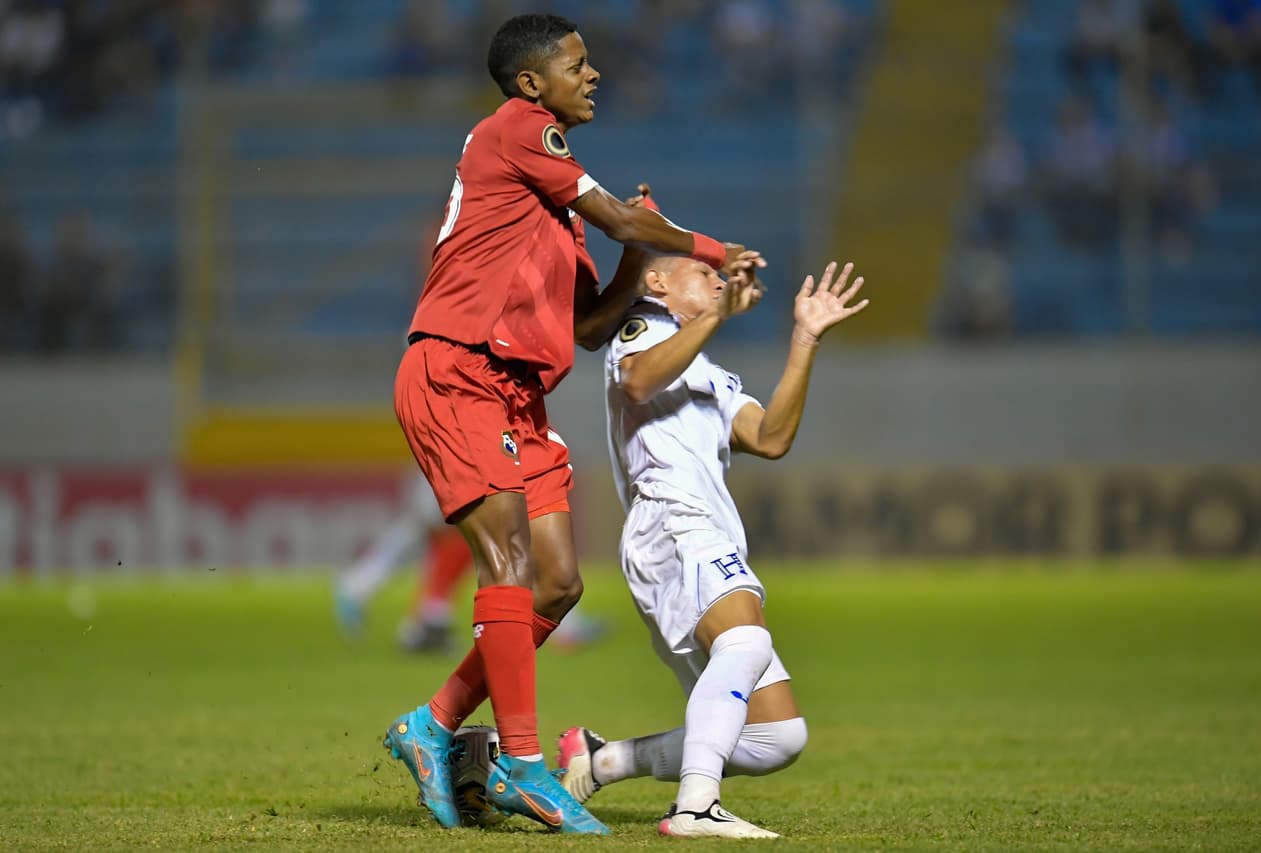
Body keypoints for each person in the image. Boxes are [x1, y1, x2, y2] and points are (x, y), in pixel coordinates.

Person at [382, 13, 761, 835]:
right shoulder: (521, 131)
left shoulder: (551, 217)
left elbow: (589, 326)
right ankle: (520, 764)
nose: (593, 76)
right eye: (577, 65)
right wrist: (709, 245)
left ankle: (433, 722)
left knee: (556, 580)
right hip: (458, 370)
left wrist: (630, 259)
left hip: (518, 396)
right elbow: (624, 221)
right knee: (510, 561)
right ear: (531, 83)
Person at [556, 247, 869, 838]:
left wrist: (804, 338)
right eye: (702, 272)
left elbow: (771, 437)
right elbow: (640, 381)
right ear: (657, 283)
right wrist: (715, 317)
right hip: (672, 522)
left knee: (776, 737)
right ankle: (695, 806)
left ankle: (600, 761)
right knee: (746, 640)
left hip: (701, 536)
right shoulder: (641, 329)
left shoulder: (714, 374)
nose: (717, 280)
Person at [333, 474, 606, 653]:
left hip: (452, 465)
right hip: (458, 467)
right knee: (489, 538)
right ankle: (422, 617)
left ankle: (387, 600)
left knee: (434, 539)